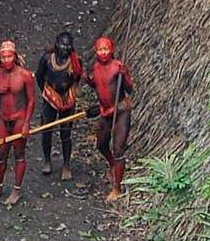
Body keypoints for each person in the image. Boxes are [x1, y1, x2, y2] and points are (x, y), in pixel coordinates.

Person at [0, 39, 38, 204]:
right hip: (3, 118)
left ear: (15, 57)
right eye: (3, 57)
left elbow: (31, 100)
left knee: (18, 154)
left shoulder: (25, 75)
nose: (6, 60)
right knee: (1, 153)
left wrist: (26, 123)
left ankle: (16, 190)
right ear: (0, 58)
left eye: (9, 57)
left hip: (19, 118)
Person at [88, 33, 136, 199]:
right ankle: (112, 163)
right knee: (101, 144)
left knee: (118, 149)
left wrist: (126, 75)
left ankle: (117, 188)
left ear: (112, 49)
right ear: (96, 51)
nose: (103, 52)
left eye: (106, 49)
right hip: (105, 111)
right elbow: (97, 85)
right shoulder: (95, 68)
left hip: (121, 110)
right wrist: (86, 80)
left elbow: (129, 89)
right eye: (100, 49)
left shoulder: (117, 67)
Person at [36, 30, 85, 180]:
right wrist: (48, 92)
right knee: (46, 130)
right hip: (50, 97)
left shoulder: (75, 61)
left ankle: (66, 165)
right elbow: (39, 76)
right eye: (63, 45)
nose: (65, 48)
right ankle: (47, 161)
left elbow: (77, 77)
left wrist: (72, 91)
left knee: (66, 133)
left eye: (68, 45)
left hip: (67, 99)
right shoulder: (47, 59)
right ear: (57, 44)